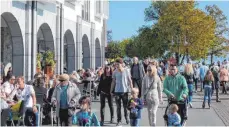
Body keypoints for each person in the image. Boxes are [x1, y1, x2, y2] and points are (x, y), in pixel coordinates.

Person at [110, 58, 133, 126]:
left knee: (125, 106)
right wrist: (111, 90)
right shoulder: (115, 72)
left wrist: (132, 90)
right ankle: (119, 120)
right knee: (118, 107)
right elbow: (113, 82)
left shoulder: (127, 71)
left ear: (122, 64)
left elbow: (130, 80)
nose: (117, 65)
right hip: (117, 91)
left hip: (125, 91)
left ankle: (126, 118)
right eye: (116, 64)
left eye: (118, 64)